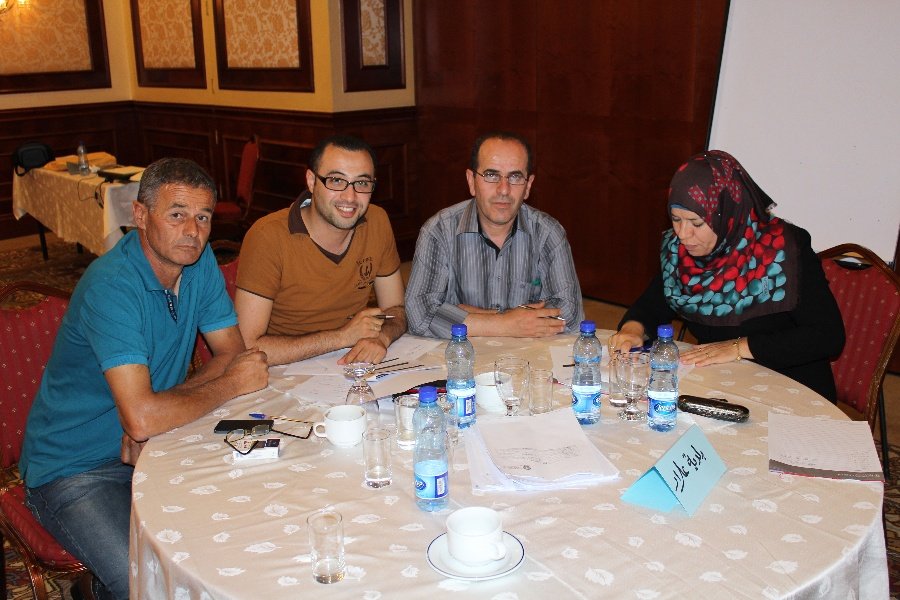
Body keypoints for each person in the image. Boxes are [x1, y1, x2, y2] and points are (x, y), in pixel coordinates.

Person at [19, 158, 269, 600]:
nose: (192, 231)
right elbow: (151, 414)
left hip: (159, 445)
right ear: (139, 215)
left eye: (203, 217)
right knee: (149, 584)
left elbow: (231, 353)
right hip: (73, 469)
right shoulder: (112, 286)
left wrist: (159, 411)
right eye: (176, 214)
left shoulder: (198, 263)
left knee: (237, 537)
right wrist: (214, 391)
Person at [608, 150, 845, 402]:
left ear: (727, 214)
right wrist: (633, 330)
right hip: (722, 385)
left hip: (791, 389)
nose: (683, 234)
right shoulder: (680, 252)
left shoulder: (782, 250)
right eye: (676, 219)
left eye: (696, 223)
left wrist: (739, 347)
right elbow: (652, 306)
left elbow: (827, 336)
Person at [234, 134, 406, 366]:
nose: (350, 197)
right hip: (284, 369)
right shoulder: (267, 236)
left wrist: (382, 338)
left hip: (352, 364)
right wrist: (342, 337)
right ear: (311, 181)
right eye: (336, 180)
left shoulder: (378, 220)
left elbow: (396, 310)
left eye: (362, 184)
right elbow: (246, 346)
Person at [405, 131, 584, 338]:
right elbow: (419, 313)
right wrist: (506, 324)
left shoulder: (548, 233)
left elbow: (569, 312)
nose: (504, 190)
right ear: (471, 181)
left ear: (528, 186)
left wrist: (469, 316)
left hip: (527, 353)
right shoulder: (439, 230)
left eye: (515, 177)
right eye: (491, 175)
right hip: (460, 353)